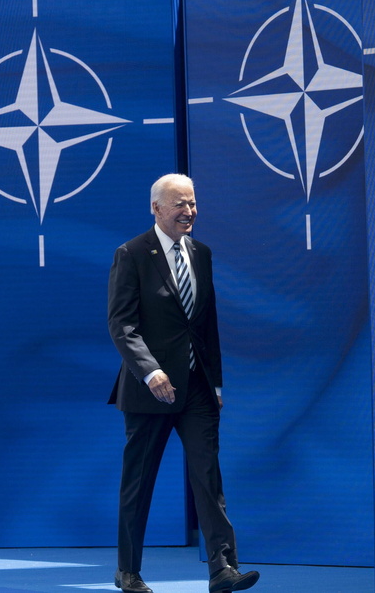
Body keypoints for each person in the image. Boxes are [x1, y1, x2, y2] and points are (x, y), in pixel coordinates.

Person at [107, 173, 260, 593]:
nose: (189, 211)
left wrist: (217, 386)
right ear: (156, 208)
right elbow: (121, 324)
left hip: (196, 387)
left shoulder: (202, 253)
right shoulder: (132, 254)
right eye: (179, 204)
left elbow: (206, 325)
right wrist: (150, 371)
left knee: (208, 478)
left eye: (192, 203)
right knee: (139, 484)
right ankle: (128, 571)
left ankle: (222, 569)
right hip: (149, 389)